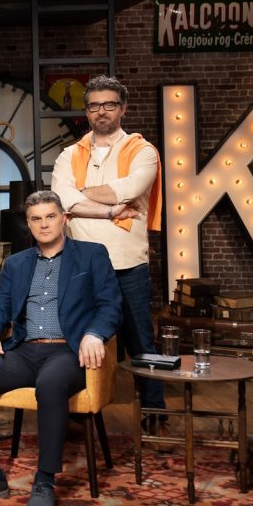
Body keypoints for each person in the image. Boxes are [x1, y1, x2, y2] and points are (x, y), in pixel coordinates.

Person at [0, 191, 121, 506]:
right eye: (36, 219)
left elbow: (110, 305)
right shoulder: (16, 264)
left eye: (50, 216)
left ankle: (44, 481)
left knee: (50, 383)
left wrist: (94, 333)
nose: (44, 224)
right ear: (29, 225)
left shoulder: (92, 255)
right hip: (25, 350)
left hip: (69, 351)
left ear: (64, 219)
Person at [49, 74, 167, 426]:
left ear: (122, 108)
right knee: (77, 338)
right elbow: (61, 199)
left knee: (141, 340)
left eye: (109, 104)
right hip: (81, 261)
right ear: (86, 111)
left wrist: (81, 195)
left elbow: (128, 188)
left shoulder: (142, 151)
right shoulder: (69, 154)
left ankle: (155, 414)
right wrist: (112, 209)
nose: (101, 111)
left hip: (127, 262)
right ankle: (78, 416)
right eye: (94, 106)